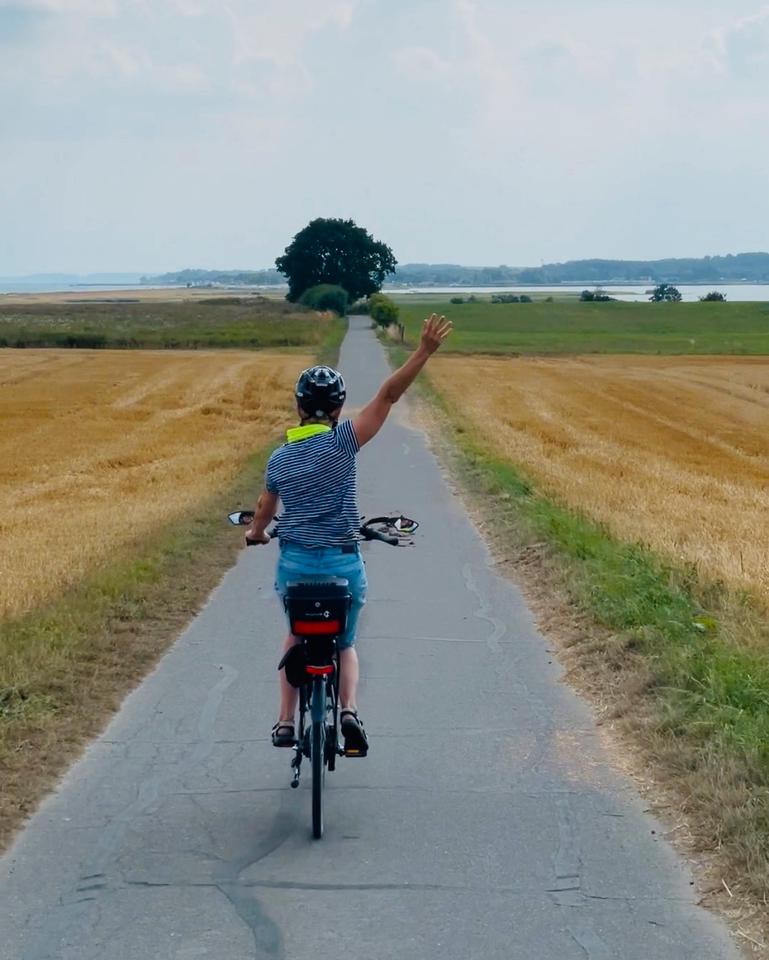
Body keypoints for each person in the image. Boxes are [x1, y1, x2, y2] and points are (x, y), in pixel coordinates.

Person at [245, 313, 452, 752]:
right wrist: (423, 351)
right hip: (343, 566)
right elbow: (389, 394)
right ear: (338, 409)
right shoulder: (344, 441)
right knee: (345, 642)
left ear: (299, 407)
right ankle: (348, 712)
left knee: (293, 636)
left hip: (296, 567)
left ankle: (285, 722)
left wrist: (257, 534)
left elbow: (264, 510)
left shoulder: (279, 459)